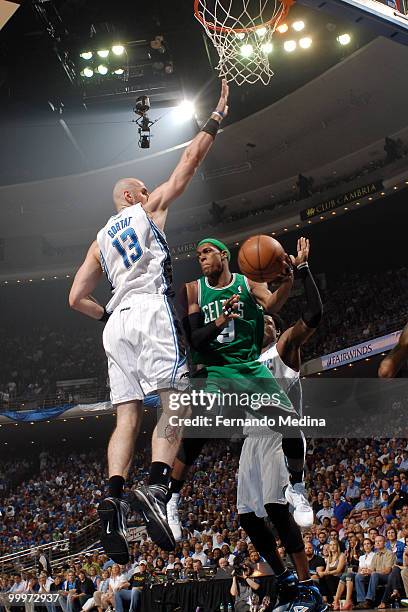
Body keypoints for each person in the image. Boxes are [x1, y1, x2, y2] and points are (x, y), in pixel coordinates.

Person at [69, 80, 230, 561]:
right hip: (148, 309)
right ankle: (159, 489)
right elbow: (189, 163)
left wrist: (104, 318)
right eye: (143, 188)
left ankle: (112, 497)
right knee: (173, 402)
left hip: (115, 320)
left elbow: (76, 297)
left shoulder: (98, 240)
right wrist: (215, 119)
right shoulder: (149, 208)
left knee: (126, 415)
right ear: (135, 194)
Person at [166, 235, 304, 541]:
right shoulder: (192, 290)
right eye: (198, 253)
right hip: (212, 369)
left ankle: (297, 487)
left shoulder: (247, 283)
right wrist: (223, 318)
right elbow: (195, 339)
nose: (201, 257)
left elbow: (272, 304)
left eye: (207, 252)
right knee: (203, 424)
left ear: (224, 255)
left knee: (291, 424)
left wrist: (289, 280)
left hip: (247, 367)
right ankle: (172, 498)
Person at [237, 238, 326, 612]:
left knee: (276, 509)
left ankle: (309, 587)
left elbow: (314, 314)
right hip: (250, 443)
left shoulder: (285, 348)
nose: (269, 321)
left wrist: (301, 271)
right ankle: (288, 582)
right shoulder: (242, 360)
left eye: (272, 319)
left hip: (279, 435)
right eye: (265, 320)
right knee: (247, 518)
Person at [354, 535, 396, 609]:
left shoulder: (389, 553)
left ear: (385, 543)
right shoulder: (375, 555)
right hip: (375, 576)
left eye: (379, 541)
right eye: (376, 541)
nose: (377, 543)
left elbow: (387, 570)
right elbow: (372, 569)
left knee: (374, 575)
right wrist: (366, 572)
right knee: (358, 576)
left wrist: (372, 572)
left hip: (387, 577)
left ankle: (369, 600)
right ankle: (362, 601)